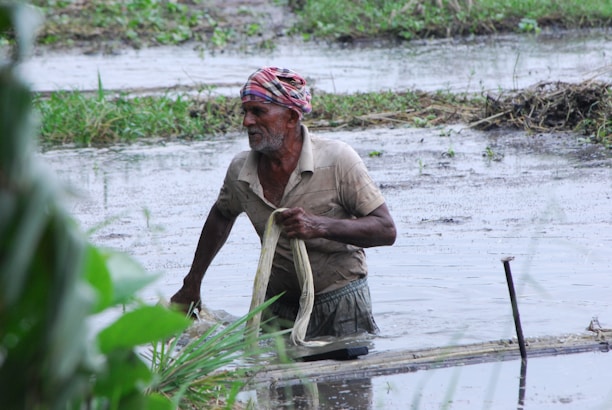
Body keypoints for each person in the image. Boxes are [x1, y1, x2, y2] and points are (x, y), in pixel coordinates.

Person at [170, 66, 396, 338]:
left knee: (340, 378)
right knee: (274, 376)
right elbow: (221, 215)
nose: (247, 122)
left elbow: (385, 230)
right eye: (245, 112)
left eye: (258, 112)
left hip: (339, 304)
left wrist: (319, 226)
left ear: (290, 117)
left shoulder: (338, 160)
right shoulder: (241, 171)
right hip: (275, 307)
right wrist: (192, 283)